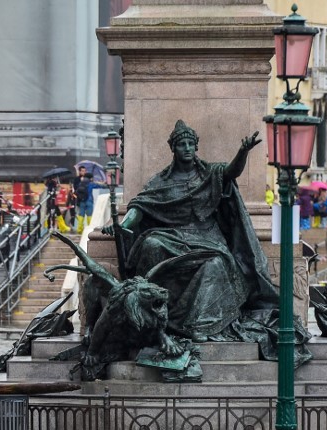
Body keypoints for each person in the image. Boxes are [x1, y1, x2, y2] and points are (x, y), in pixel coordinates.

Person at [102, 120, 277, 342]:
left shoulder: (210, 174)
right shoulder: (160, 181)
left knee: (216, 264)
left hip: (208, 238)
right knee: (151, 244)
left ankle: (199, 324)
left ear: (196, 147)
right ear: (173, 149)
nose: (186, 148)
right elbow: (140, 206)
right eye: (181, 144)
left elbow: (232, 171)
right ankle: (150, 315)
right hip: (173, 235)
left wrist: (242, 152)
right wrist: (123, 225)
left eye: (190, 144)